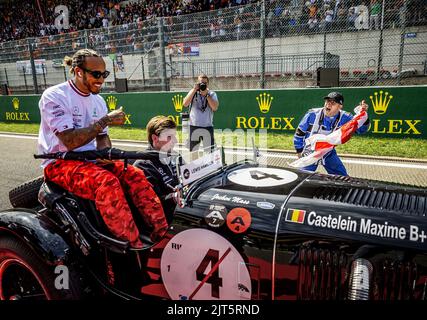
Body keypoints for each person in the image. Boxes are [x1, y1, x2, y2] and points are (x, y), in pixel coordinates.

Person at [37, 49, 167, 248]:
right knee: (107, 182)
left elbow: (103, 139)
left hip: (90, 161)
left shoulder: (98, 100)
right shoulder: (55, 96)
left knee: (135, 174)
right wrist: (105, 120)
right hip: (59, 163)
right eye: (96, 74)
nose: (101, 80)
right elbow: (70, 141)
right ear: (79, 72)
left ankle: (162, 235)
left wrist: (107, 156)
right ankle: (132, 246)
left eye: (104, 74)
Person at [294, 91, 370, 176]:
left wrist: (363, 115)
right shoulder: (312, 114)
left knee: (342, 177)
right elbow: (299, 133)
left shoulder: (346, 117)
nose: (328, 104)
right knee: (302, 176)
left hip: (328, 152)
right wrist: (299, 151)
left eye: (333, 102)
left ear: (340, 106)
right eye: (327, 101)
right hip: (310, 151)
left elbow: (361, 130)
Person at [133, 116, 181, 223]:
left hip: (180, 209)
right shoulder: (143, 165)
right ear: (155, 138)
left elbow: (189, 177)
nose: (175, 141)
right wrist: (174, 196)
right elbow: (153, 203)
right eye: (170, 137)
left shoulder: (175, 156)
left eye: (175, 136)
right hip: (164, 219)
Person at [182, 73, 219, 153]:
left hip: (207, 126)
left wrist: (207, 96)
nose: (203, 85)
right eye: (201, 83)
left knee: (210, 152)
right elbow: (185, 104)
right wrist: (194, 90)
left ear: (208, 84)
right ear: (197, 83)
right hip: (194, 126)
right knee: (193, 152)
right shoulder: (193, 92)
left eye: (205, 83)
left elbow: (215, 108)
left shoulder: (212, 94)